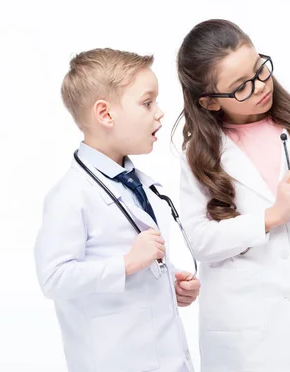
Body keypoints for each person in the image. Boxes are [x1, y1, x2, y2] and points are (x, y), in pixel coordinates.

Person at [174, 19, 290, 372]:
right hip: (243, 334)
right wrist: (270, 217)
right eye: (241, 87)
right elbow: (200, 240)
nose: (260, 86)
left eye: (260, 70)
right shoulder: (200, 156)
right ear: (209, 102)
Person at [34, 48, 200, 372]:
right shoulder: (71, 194)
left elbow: (139, 255)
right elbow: (53, 278)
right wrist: (126, 264)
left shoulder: (139, 183)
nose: (160, 113)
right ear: (106, 114)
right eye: (147, 102)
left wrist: (171, 282)